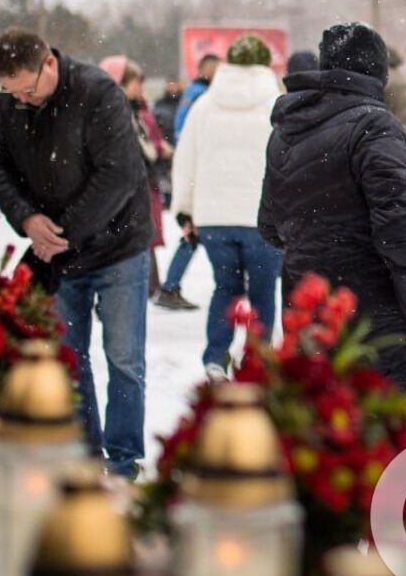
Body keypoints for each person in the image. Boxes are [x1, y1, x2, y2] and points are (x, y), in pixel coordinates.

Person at [262, 23, 406, 434]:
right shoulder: (374, 125)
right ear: (376, 74)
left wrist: (316, 238)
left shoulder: (286, 131)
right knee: (399, 424)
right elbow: (400, 219)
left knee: (326, 426)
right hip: (375, 302)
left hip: (307, 299)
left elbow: (271, 225)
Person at [0, 28, 152, 477]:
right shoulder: (12, 100)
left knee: (124, 359)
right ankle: (83, 455)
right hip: (58, 254)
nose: (20, 98)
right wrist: (26, 219)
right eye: (11, 90)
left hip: (117, 247)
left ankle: (122, 461)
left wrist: (63, 230)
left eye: (27, 88)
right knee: (66, 356)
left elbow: (119, 173)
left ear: (50, 64)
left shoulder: (98, 93)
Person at [173, 35, 284, 378]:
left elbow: (185, 160)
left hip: (214, 218)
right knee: (263, 292)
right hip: (262, 219)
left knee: (225, 287)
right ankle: (258, 359)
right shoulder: (278, 105)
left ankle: (215, 356)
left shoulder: (204, 105)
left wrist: (185, 210)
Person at [100, 58, 175, 294]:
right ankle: (145, 284)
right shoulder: (116, 112)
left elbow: (149, 141)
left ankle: (150, 283)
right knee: (134, 234)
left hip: (145, 181)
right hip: (128, 185)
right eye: (134, 83)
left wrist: (158, 148)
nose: (139, 88)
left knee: (145, 233)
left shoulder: (138, 109)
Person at [157, 54, 221, 311]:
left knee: (194, 234)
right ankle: (170, 286)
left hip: (198, 171)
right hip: (202, 172)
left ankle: (170, 286)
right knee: (194, 234)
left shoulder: (196, 93)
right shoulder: (202, 96)